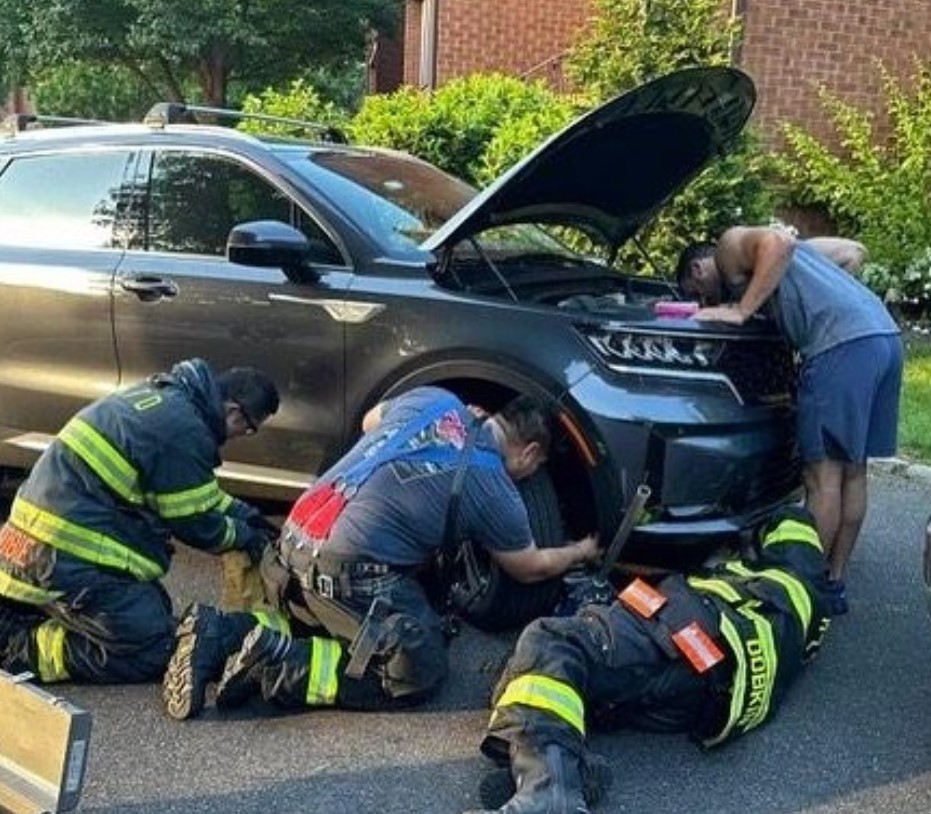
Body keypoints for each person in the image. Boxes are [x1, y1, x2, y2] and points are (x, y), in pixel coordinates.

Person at [163, 385, 600, 720]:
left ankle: (218, 632)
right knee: (415, 668)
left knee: (318, 620)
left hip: (289, 547)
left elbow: (371, 421)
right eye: (537, 466)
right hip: (340, 574)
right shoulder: (494, 488)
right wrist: (580, 549)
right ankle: (276, 665)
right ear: (531, 452)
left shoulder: (435, 399)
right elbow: (529, 567)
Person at [464, 505, 832, 814]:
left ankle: (549, 792)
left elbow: (788, 519)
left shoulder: (773, 569)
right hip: (711, 701)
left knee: (552, 643)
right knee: (581, 685)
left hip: (691, 633)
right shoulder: (802, 602)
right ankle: (567, 769)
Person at [0, 358, 280, 685]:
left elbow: (196, 495)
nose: (242, 436)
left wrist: (249, 516)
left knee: (154, 610)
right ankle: (19, 646)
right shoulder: (186, 432)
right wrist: (244, 536)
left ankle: (26, 614)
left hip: (29, 546)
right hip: (64, 560)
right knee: (152, 647)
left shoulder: (164, 401)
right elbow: (195, 523)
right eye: (249, 429)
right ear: (234, 412)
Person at [676, 226, 903, 614]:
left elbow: (778, 242)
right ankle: (833, 583)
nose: (702, 302)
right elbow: (853, 252)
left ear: (698, 269)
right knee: (853, 471)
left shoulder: (729, 247)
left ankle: (800, 594)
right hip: (883, 336)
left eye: (696, 294)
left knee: (822, 478)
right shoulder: (797, 260)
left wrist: (741, 311)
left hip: (840, 348)